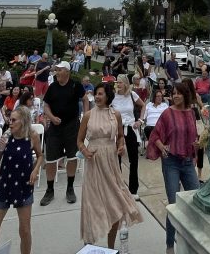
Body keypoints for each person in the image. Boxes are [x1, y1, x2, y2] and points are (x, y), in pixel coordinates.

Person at [78, 80, 143, 248]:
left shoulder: (116, 115)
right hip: (93, 162)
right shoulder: (88, 115)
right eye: (96, 94)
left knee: (115, 205)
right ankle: (89, 244)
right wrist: (85, 151)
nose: (97, 97)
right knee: (92, 204)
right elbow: (79, 141)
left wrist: (120, 145)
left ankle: (111, 247)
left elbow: (120, 136)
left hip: (110, 161)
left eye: (100, 94)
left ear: (108, 96)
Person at [0, 106, 43, 254]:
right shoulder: (6, 136)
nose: (10, 122)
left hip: (24, 186)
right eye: (10, 119)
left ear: (23, 121)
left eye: (14, 120)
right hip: (4, 186)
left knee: (25, 231)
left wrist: (35, 170)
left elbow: (41, 155)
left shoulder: (32, 136)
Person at [148, 81, 199, 254]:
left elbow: (193, 137)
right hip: (171, 162)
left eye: (179, 93)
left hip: (187, 162)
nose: (175, 96)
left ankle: (191, 242)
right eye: (174, 93)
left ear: (185, 95)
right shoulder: (167, 113)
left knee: (195, 201)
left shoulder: (191, 113)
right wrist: (162, 148)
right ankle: (170, 246)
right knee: (174, 205)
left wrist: (195, 152)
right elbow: (155, 134)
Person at [40, 61, 88, 205]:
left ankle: (70, 188)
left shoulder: (75, 85)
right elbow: (46, 104)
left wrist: (86, 116)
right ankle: (49, 190)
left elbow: (85, 99)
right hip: (55, 127)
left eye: (59, 70)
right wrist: (51, 117)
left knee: (72, 157)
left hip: (72, 126)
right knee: (50, 159)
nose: (57, 72)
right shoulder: (53, 87)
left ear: (66, 71)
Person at [111, 75, 144, 199]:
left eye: (120, 82)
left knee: (133, 159)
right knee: (117, 159)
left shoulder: (132, 95)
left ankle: (133, 189)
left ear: (125, 83)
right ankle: (118, 187)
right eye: (117, 82)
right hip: (117, 129)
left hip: (130, 127)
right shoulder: (113, 97)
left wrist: (140, 120)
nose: (118, 85)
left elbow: (143, 106)